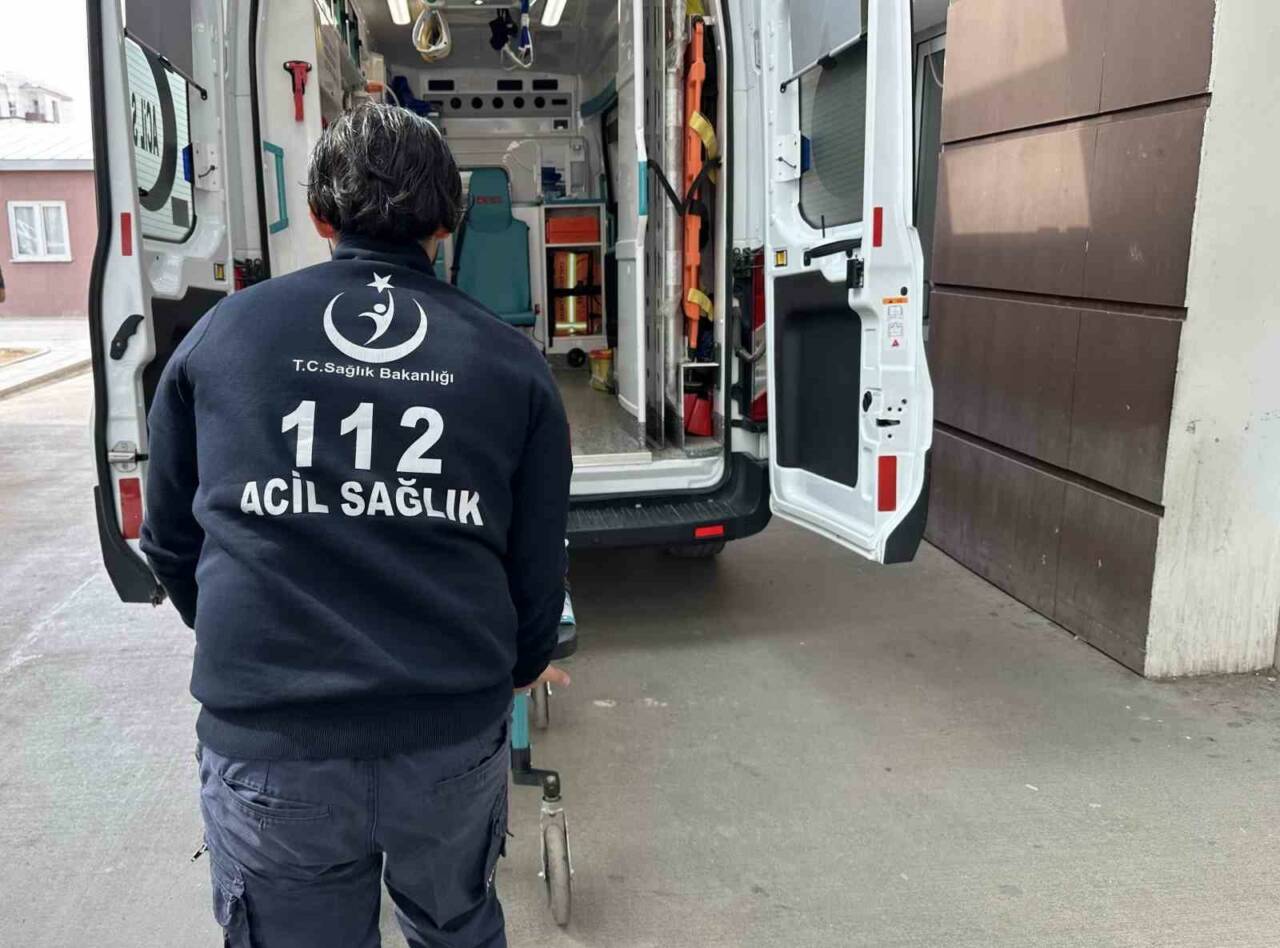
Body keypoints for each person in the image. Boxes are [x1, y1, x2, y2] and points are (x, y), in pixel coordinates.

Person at [140, 103, 572, 948]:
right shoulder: (511, 362)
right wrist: (522, 667)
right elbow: (535, 562)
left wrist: (246, 637)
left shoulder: (224, 335)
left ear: (317, 216)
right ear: (446, 224)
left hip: (272, 742)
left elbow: (169, 539)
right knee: (456, 928)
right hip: (448, 736)